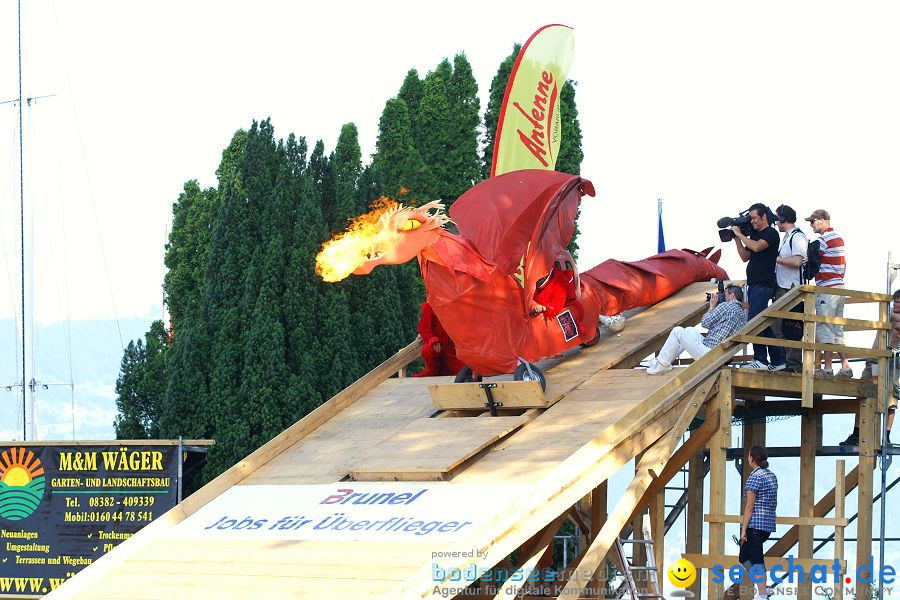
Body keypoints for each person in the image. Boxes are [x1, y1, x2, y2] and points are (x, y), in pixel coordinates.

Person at [731, 203, 786, 371]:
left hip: (763, 284)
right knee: (761, 322)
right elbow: (745, 256)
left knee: (754, 322)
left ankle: (761, 359)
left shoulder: (771, 233)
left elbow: (756, 246)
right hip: (755, 284)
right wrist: (736, 240)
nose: (752, 221)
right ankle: (778, 360)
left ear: (764, 217)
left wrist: (740, 234)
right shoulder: (755, 234)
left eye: (754, 218)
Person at [841, 289, 900, 447]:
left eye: (899, 302)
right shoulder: (887, 314)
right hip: (874, 361)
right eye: (894, 301)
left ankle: (886, 436)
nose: (895, 305)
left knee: (890, 399)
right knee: (864, 393)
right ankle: (857, 432)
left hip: (891, 364)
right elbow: (893, 317)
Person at [646, 284, 746, 374]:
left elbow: (705, 323)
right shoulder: (742, 314)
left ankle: (662, 364)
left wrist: (712, 306)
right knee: (689, 330)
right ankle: (662, 360)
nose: (723, 297)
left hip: (709, 354)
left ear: (732, 295)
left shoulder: (726, 306)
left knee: (677, 331)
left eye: (725, 294)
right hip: (720, 353)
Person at [805, 209, 851, 377]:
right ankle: (845, 366)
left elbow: (812, 261)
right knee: (837, 328)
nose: (811, 225)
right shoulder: (838, 238)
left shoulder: (823, 240)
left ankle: (828, 368)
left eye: (812, 221)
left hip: (827, 288)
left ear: (821, 221)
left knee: (825, 328)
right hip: (839, 285)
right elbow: (844, 265)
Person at [771, 205, 808, 373]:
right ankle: (785, 363)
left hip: (791, 288)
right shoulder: (788, 236)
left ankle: (794, 366)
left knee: (791, 327)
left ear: (784, 219)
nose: (775, 222)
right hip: (783, 287)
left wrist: (776, 259)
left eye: (777, 218)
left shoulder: (798, 236)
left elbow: (797, 261)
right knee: (778, 326)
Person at [741, 445, 778, 600]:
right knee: (744, 556)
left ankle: (763, 595)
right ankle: (763, 586)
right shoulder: (771, 476)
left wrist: (743, 529)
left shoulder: (754, 477)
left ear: (751, 458)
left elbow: (749, 506)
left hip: (755, 524)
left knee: (755, 559)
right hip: (767, 524)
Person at [412, 301, 464, 377]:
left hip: (451, 351)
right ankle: (433, 371)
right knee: (427, 350)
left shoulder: (457, 305)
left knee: (466, 372)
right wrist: (432, 339)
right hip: (437, 347)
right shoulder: (431, 305)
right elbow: (423, 327)